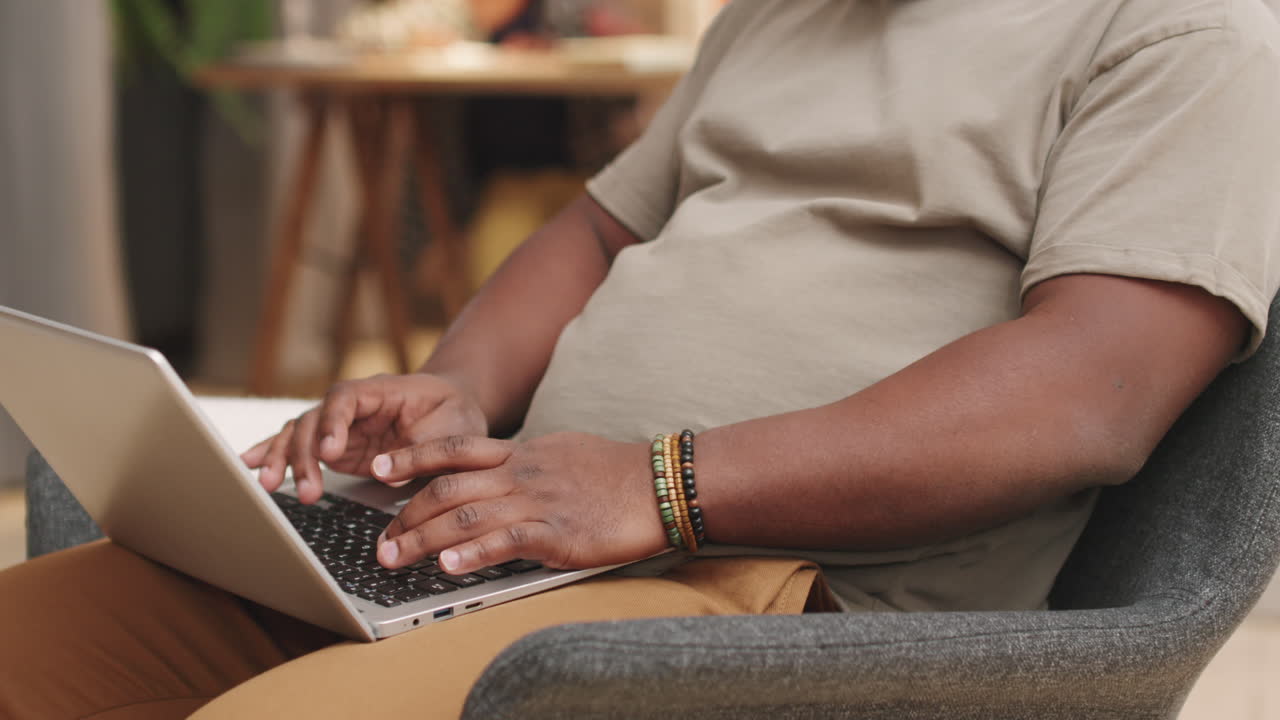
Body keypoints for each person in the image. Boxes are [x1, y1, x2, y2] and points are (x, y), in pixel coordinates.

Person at [4, 0, 1280, 717]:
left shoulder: (1183, 33)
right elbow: (601, 225)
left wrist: (654, 484)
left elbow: (1086, 397)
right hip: (513, 538)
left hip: (786, 601)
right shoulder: (780, 14)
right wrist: (458, 389)